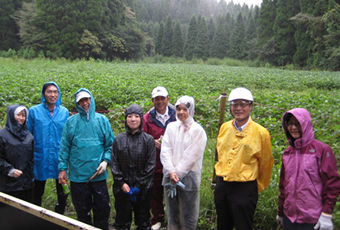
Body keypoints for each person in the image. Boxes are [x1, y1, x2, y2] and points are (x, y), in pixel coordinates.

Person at [214, 87, 273, 230]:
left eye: (243, 104)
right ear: (230, 106)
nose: (238, 108)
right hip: (223, 185)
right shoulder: (225, 128)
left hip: (245, 187)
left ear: (251, 106)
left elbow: (266, 164)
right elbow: (220, 156)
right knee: (223, 223)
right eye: (235, 104)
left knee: (243, 225)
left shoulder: (261, 133)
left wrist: (254, 187)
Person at [58, 88, 114, 230]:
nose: (85, 103)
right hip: (78, 176)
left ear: (91, 99)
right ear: (77, 103)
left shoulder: (102, 120)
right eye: (81, 101)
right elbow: (65, 146)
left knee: (102, 209)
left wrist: (105, 161)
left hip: (98, 175)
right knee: (82, 210)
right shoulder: (71, 122)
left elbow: (110, 145)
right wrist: (62, 168)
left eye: (86, 99)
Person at [276, 108, 340, 230]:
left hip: (313, 218)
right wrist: (280, 212)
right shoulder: (288, 152)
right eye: (290, 124)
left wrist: (327, 214)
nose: (293, 127)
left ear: (305, 123)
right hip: (290, 217)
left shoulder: (321, 150)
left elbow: (332, 184)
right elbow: (283, 186)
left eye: (297, 123)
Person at [160, 95, 207, 230]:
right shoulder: (171, 127)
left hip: (189, 176)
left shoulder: (197, 130)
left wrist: (177, 173)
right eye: (178, 109)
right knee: (172, 211)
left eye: (185, 109)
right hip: (170, 174)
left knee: (188, 214)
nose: (181, 112)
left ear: (191, 110)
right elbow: (166, 149)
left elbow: (192, 155)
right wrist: (170, 170)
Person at [111, 103, 156, 230]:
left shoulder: (148, 140)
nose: (133, 119)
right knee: (122, 221)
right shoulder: (119, 139)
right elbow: (114, 163)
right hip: (122, 189)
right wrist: (121, 183)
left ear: (141, 119)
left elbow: (150, 165)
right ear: (126, 119)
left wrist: (139, 185)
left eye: (136, 116)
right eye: (130, 116)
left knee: (143, 221)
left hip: (143, 189)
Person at [27, 82, 69, 214]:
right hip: (40, 155)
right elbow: (28, 135)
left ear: (59, 94)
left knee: (62, 189)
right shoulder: (34, 111)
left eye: (55, 92)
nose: (52, 95)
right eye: (49, 92)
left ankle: (60, 214)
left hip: (59, 156)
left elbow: (67, 135)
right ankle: (35, 214)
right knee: (37, 188)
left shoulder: (64, 112)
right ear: (43, 94)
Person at [143, 86, 176, 230]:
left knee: (174, 191)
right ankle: (157, 217)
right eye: (157, 99)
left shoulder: (176, 115)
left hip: (174, 161)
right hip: (155, 161)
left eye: (163, 98)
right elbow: (142, 136)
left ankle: (174, 218)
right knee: (155, 191)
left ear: (168, 99)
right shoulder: (147, 118)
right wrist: (152, 141)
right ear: (153, 101)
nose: (160, 101)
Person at [0, 105, 34, 202]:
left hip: (26, 183)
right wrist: (9, 170)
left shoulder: (28, 136)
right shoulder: (2, 135)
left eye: (23, 115)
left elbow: (31, 159)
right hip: (8, 184)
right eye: (18, 115)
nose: (21, 118)